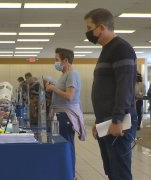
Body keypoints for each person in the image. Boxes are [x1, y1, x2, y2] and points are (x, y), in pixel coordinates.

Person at [85, 8, 137, 180]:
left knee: (120, 172)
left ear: (101, 27)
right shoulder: (107, 49)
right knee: (112, 170)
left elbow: (125, 89)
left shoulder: (121, 48)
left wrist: (116, 120)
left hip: (118, 122)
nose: (88, 32)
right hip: (106, 121)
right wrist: (100, 122)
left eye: (90, 28)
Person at [45, 48, 85, 180]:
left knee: (67, 146)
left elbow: (69, 96)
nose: (56, 63)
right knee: (62, 147)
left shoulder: (72, 74)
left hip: (66, 116)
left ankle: (70, 175)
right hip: (60, 114)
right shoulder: (64, 75)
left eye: (57, 60)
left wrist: (53, 88)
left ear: (65, 60)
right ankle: (64, 173)